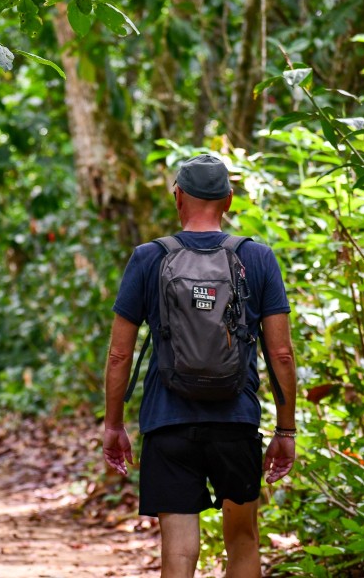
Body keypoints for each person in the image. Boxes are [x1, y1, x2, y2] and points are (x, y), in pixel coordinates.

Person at [103, 154, 297, 578]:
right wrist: (285, 431)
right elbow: (281, 353)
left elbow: (119, 354)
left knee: (178, 549)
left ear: (178, 197)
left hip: (167, 423)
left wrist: (114, 425)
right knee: (243, 540)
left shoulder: (148, 258)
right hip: (236, 421)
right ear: (229, 200)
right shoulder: (258, 258)